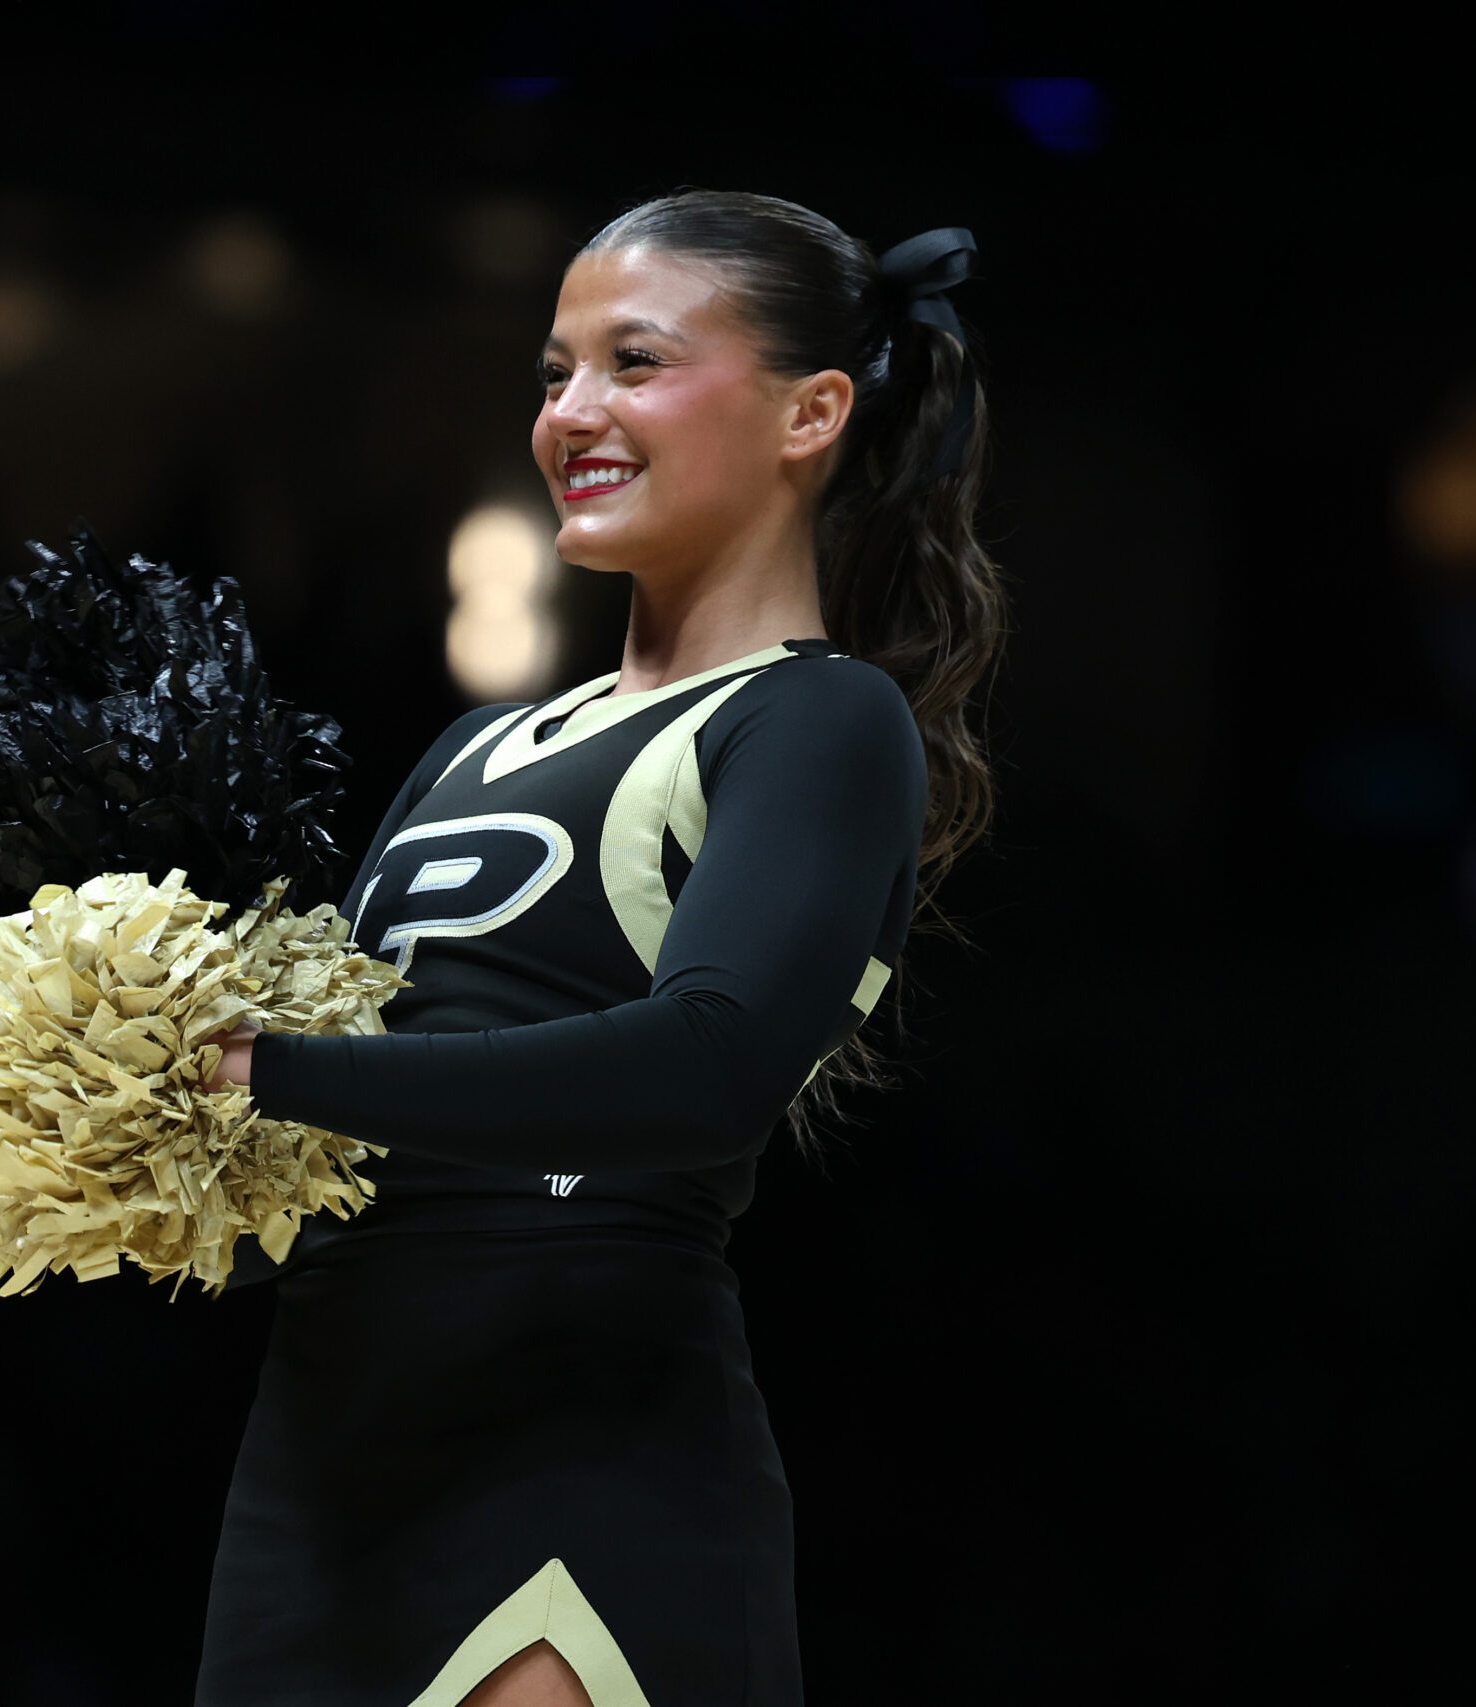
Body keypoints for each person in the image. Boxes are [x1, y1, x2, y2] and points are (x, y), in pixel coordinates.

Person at [191, 189, 1007, 1707]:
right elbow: (344, 1131)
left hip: (574, 1457)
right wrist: (139, 1120)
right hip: (317, 1470)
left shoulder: (816, 721)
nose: (573, 412)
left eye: (635, 363)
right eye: (556, 373)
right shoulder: (478, 745)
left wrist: (276, 1073)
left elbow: (704, 1066)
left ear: (811, 412)